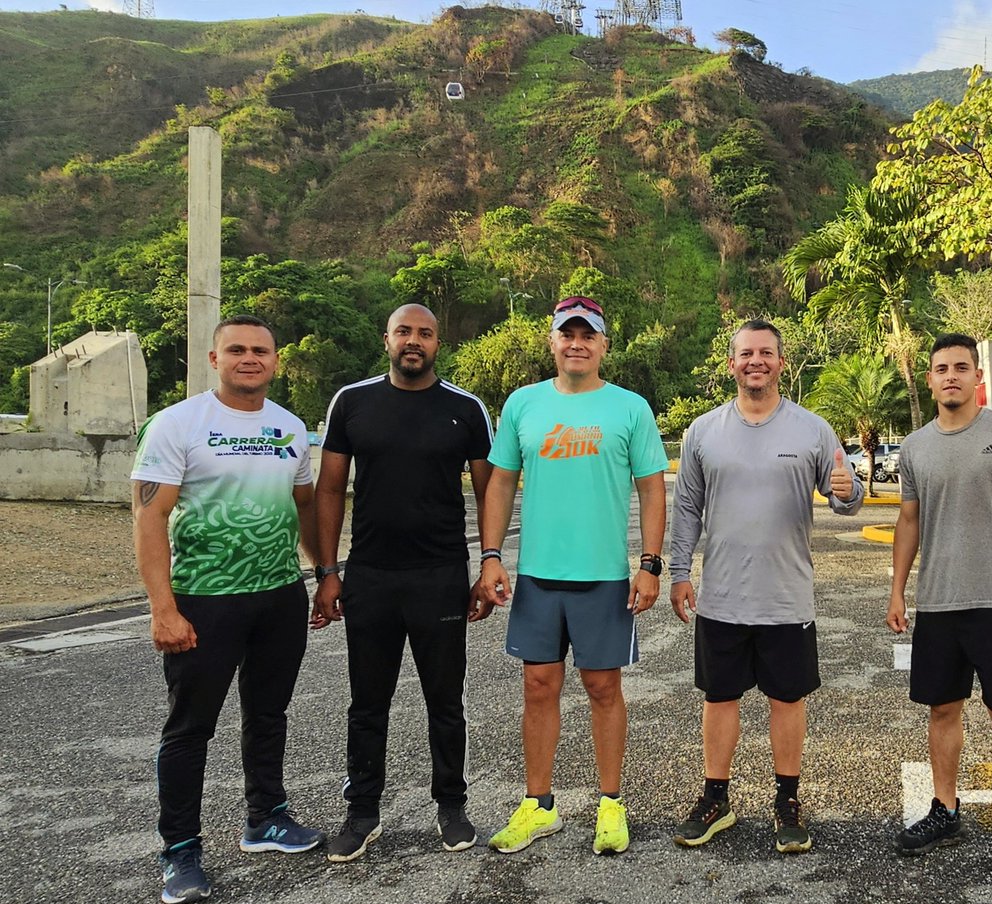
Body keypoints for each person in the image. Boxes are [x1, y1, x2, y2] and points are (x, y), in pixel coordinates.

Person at [131, 315, 326, 904]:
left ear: (275, 360)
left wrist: (324, 574)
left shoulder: (290, 428)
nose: (250, 358)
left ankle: (266, 818)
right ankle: (180, 850)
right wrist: (162, 608)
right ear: (214, 359)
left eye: (260, 350)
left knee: (268, 714)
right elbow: (149, 516)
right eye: (236, 349)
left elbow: (305, 506)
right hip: (204, 599)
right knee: (190, 727)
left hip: (278, 596)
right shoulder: (177, 424)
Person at [479, 295, 668, 856]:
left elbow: (652, 488)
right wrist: (490, 555)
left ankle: (611, 803)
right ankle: (539, 806)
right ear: (553, 341)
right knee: (538, 686)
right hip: (538, 575)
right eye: (568, 334)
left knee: (603, 687)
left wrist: (649, 564)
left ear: (604, 344)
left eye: (588, 335)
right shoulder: (523, 403)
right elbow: (501, 482)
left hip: (604, 577)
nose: (577, 343)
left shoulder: (629, 408)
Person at [669, 318, 864, 854]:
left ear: (781, 363)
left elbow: (845, 500)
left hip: (786, 596)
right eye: (746, 353)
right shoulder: (703, 432)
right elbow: (687, 509)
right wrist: (679, 572)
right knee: (719, 697)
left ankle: (787, 801)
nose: (755, 361)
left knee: (787, 698)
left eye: (765, 353)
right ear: (731, 364)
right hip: (722, 595)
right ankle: (716, 799)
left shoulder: (813, 430)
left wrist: (849, 491)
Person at [313, 303, 494, 863]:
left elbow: (491, 492)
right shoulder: (352, 402)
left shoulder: (466, 409)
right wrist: (327, 571)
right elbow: (328, 490)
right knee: (367, 703)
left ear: (438, 343)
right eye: (403, 332)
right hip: (370, 576)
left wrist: (488, 564)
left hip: (439, 576)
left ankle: (452, 807)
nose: (413, 341)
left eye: (425, 333)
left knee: (446, 700)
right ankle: (362, 812)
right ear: (386, 339)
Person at [886, 332, 992, 889]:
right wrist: (897, 590)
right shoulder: (915, 447)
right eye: (942, 368)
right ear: (930, 379)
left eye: (961, 367)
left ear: (977, 376)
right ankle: (945, 810)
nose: (951, 376)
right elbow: (908, 521)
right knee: (942, 711)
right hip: (938, 604)